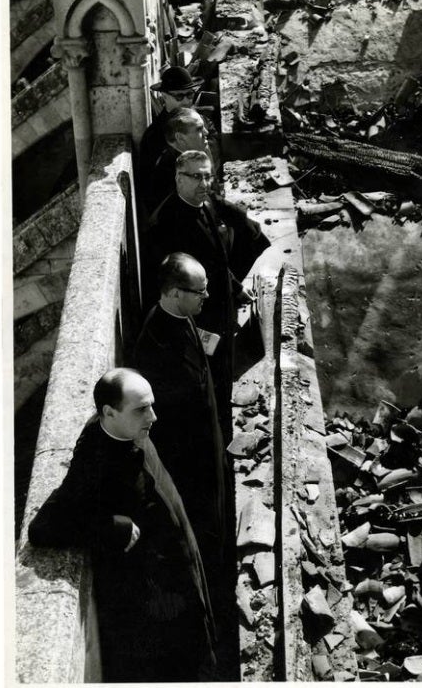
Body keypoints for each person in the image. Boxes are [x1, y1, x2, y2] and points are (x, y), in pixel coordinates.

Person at [28, 368, 215, 683]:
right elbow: (43, 528)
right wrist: (112, 528)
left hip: (180, 557)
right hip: (158, 589)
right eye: (142, 409)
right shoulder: (95, 457)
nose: (153, 416)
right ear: (108, 413)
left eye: (151, 405)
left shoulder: (132, 429)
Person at [144, 151, 270, 441]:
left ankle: (223, 429)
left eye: (207, 175)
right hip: (198, 323)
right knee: (206, 389)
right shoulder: (165, 224)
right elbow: (167, 292)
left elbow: (216, 260)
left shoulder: (205, 203)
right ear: (178, 178)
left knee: (223, 379)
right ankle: (217, 437)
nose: (204, 182)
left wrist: (236, 288)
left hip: (219, 315)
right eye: (196, 176)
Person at [134, 253, 228, 578]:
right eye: (200, 292)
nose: (207, 297)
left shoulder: (181, 316)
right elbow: (169, 422)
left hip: (206, 445)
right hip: (190, 461)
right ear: (175, 293)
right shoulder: (155, 344)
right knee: (203, 526)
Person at [139, 66, 203, 212]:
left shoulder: (195, 121)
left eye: (190, 95)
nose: (186, 101)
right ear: (164, 96)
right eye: (179, 96)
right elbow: (152, 189)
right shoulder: (155, 136)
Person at [144, 108, 218, 217]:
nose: (206, 132)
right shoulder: (174, 169)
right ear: (180, 138)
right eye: (199, 129)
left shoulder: (186, 156)